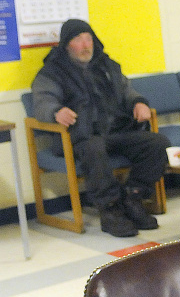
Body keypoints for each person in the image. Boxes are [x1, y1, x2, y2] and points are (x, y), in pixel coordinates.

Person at [30, 19, 169, 238]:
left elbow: (127, 91)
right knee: (94, 148)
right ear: (66, 45)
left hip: (116, 130)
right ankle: (110, 210)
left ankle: (133, 197)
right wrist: (57, 112)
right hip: (80, 135)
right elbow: (43, 102)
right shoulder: (52, 72)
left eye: (88, 38)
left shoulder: (107, 66)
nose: (86, 45)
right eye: (78, 40)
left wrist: (138, 102)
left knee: (157, 143)